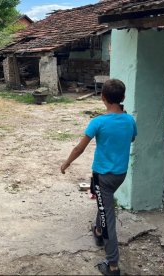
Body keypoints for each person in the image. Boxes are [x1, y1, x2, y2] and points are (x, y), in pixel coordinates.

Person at [60, 79, 137, 276]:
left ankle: (113, 266)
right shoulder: (130, 120)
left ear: (102, 98)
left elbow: (80, 147)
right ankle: (98, 232)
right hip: (120, 174)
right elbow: (132, 138)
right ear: (123, 98)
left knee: (107, 215)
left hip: (103, 176)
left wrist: (67, 163)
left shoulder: (98, 122)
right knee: (104, 202)